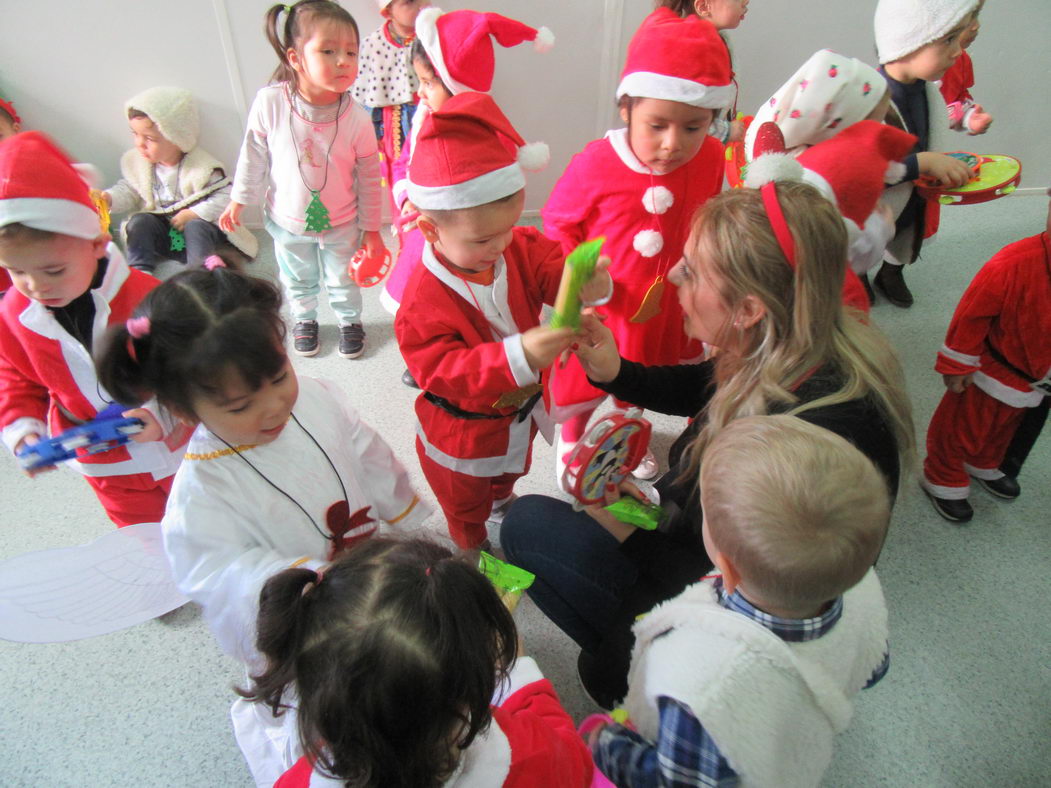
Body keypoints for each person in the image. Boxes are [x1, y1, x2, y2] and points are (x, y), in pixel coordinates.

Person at [501, 181, 913, 709]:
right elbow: (710, 386)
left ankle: (623, 679)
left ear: (748, 309)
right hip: (707, 548)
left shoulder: (792, 445)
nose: (671, 273)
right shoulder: (800, 344)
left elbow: (730, 578)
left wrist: (629, 530)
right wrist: (618, 372)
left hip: (722, 614)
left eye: (691, 269)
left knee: (526, 526)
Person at [94, 266, 428, 785]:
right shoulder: (200, 498)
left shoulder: (316, 397)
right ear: (184, 409)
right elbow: (219, 577)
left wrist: (407, 519)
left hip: (368, 570)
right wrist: (311, 581)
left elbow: (364, 451)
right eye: (240, 404)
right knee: (337, 704)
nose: (276, 405)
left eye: (279, 377)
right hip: (308, 617)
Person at [588, 415, 891, 787]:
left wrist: (605, 743)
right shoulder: (862, 586)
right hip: (788, 752)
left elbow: (673, 781)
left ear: (725, 568)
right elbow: (873, 667)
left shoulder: (702, 689)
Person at [395, 91, 612, 550]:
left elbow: (551, 267)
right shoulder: (422, 301)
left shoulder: (516, 246)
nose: (500, 245)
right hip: (463, 431)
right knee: (466, 497)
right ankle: (470, 540)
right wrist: (519, 354)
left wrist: (585, 283)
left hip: (517, 409)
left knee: (511, 468)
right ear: (431, 230)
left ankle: (500, 499)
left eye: (508, 228)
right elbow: (439, 369)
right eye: (482, 239)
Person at [543, 8, 731, 486]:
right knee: (588, 371)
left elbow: (713, 213)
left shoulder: (711, 156)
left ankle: (627, 426)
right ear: (626, 108)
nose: (673, 144)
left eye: (693, 127)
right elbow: (557, 222)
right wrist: (578, 275)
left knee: (643, 371)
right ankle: (574, 433)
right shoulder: (596, 163)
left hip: (670, 300)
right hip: (608, 303)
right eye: (657, 125)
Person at [243, 536, 595, 787]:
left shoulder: (296, 781)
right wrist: (517, 669)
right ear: (471, 687)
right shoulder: (530, 757)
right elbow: (574, 760)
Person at [0, 132, 184, 527]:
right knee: (140, 538)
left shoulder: (147, 296)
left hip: (177, 447)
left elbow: (189, 363)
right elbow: (14, 376)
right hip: (105, 466)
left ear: (97, 245)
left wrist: (161, 414)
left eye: (53, 270)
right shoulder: (12, 315)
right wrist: (22, 429)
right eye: (16, 271)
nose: (36, 286)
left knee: (206, 517)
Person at [381, 8, 554, 388]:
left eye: (429, 82)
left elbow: (496, 185)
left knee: (468, 285)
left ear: (457, 84)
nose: (420, 92)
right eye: (420, 81)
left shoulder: (486, 129)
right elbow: (401, 160)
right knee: (422, 296)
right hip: (424, 226)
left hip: (462, 226)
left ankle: (475, 343)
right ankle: (426, 351)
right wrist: (407, 193)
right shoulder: (424, 115)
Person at [221, 0, 383, 360]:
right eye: (328, 50)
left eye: (351, 52)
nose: (343, 61)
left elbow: (371, 178)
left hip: (342, 221)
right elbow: (254, 154)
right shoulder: (271, 102)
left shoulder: (357, 118)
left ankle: (349, 321)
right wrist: (239, 198)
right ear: (295, 58)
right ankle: (304, 319)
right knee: (296, 276)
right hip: (287, 218)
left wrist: (371, 230)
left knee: (343, 278)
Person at [921, 186, 1051, 523]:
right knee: (963, 427)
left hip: (1035, 379)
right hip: (992, 371)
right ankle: (943, 477)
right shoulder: (1014, 263)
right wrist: (957, 363)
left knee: (1005, 429)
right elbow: (971, 315)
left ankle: (983, 462)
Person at [872, 0, 977, 307]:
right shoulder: (867, 98)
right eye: (947, 40)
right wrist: (920, 163)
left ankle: (890, 273)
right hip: (879, 199)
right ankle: (860, 275)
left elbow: (942, 126)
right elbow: (857, 169)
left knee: (907, 236)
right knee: (867, 240)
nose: (957, 52)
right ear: (906, 41)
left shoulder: (929, 91)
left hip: (916, 194)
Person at [102, 86, 258, 275]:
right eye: (135, 134)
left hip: (198, 234)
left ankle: (200, 271)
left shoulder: (201, 167)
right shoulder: (138, 165)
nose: (139, 144)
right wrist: (109, 199)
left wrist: (194, 213)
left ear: (177, 139)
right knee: (139, 221)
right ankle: (140, 269)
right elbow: (128, 190)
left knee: (197, 227)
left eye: (149, 138)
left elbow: (227, 196)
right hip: (165, 233)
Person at [352, 0, 430, 221]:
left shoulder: (434, 36)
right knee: (400, 175)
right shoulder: (373, 45)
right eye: (410, 2)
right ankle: (405, 226)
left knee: (433, 169)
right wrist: (372, 131)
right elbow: (367, 94)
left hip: (430, 109)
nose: (422, 5)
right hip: (393, 122)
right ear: (388, 11)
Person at [939, 0, 993, 135]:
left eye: (976, 15)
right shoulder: (893, 81)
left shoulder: (962, 59)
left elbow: (957, 100)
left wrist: (969, 117)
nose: (976, 26)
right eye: (968, 18)